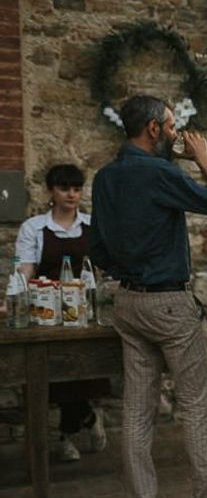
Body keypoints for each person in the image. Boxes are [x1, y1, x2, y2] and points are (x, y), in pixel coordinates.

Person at [90, 95, 207, 498]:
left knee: (137, 411)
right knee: (198, 408)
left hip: (127, 303)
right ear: (152, 128)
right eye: (170, 125)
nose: (174, 132)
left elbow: (98, 248)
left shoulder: (105, 177)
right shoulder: (159, 172)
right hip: (169, 303)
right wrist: (203, 157)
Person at [15, 164, 109, 462]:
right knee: (56, 374)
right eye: (64, 188)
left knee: (82, 371)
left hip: (83, 310)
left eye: (77, 189)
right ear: (51, 192)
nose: (71, 194)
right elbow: (26, 269)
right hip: (47, 310)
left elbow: (104, 266)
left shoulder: (92, 226)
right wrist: (14, 297)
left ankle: (67, 435)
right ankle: (87, 420)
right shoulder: (34, 228)